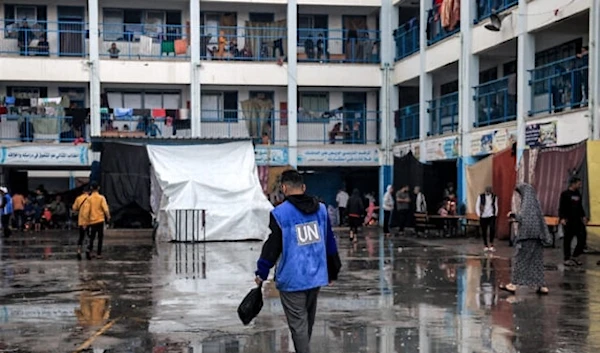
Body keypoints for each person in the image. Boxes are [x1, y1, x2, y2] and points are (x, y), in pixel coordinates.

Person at [254, 170, 341, 353]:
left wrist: (262, 272)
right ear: (303, 187)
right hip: (316, 275)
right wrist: (333, 270)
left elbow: (272, 247)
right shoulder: (322, 209)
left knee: (298, 325)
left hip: (293, 278)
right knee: (306, 321)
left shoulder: (280, 213)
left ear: (284, 188)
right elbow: (329, 241)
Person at [500, 183, 550, 295]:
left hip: (527, 237)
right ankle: (541, 285)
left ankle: (513, 284)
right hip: (537, 237)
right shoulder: (536, 203)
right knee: (536, 262)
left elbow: (525, 219)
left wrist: (514, 216)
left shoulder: (526, 204)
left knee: (520, 260)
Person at [559, 176, 587, 267]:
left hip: (577, 220)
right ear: (573, 184)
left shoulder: (578, 194)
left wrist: (583, 216)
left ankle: (575, 256)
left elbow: (580, 207)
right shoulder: (565, 194)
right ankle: (567, 258)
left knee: (582, 238)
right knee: (568, 239)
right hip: (568, 220)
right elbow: (561, 207)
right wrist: (562, 218)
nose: (580, 185)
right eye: (579, 183)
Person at [86, 182, 111, 260]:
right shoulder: (101, 198)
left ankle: (89, 250)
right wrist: (108, 216)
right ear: (98, 188)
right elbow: (105, 209)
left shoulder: (89, 199)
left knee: (92, 237)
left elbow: (87, 210)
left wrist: (86, 220)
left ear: (91, 188)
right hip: (100, 220)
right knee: (100, 238)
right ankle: (99, 254)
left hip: (92, 221)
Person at [476, 186, 499, 253]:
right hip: (483, 215)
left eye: (489, 191)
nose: (488, 192)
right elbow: (477, 205)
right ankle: (485, 245)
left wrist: (495, 214)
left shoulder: (494, 197)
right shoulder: (481, 196)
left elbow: (496, 205)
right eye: (487, 191)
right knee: (484, 230)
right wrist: (479, 214)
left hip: (491, 215)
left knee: (492, 229)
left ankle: (491, 244)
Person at [73, 188, 91, 261]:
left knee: (81, 237)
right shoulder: (90, 199)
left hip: (80, 221)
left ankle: (79, 251)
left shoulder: (78, 198)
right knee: (89, 237)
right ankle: (88, 250)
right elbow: (87, 212)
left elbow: (74, 208)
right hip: (89, 221)